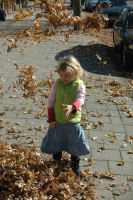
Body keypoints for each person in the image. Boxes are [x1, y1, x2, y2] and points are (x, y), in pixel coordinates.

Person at [41, 56, 90, 176]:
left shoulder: (79, 85)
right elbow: (51, 102)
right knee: (57, 143)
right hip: (57, 121)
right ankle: (56, 164)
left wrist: (73, 107)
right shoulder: (58, 84)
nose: (64, 78)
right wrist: (51, 119)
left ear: (75, 72)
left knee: (75, 145)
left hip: (72, 122)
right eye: (62, 75)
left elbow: (81, 99)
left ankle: (75, 167)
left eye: (67, 75)